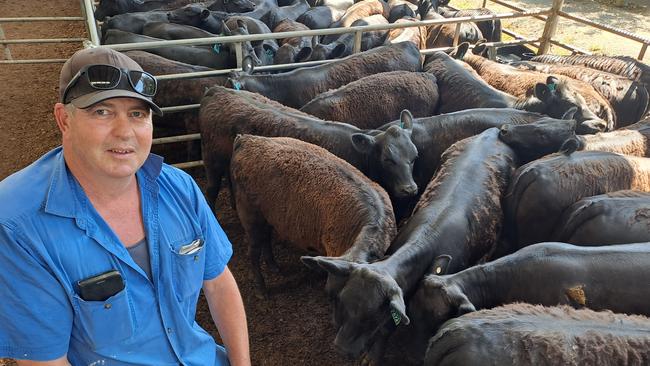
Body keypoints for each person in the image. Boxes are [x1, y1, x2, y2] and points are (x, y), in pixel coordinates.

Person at [0, 47, 250, 366]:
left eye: (137, 113)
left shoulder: (179, 187)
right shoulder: (17, 224)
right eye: (102, 111)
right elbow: (46, 361)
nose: (124, 132)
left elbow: (219, 284)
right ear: (64, 119)